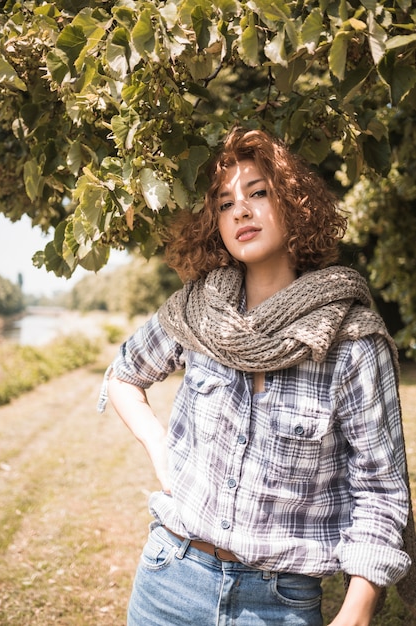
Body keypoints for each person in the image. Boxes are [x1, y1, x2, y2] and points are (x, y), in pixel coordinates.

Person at [98, 127, 414, 626]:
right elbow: (124, 374)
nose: (241, 210)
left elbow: (380, 492)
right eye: (225, 203)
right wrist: (160, 448)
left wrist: (354, 613)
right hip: (169, 580)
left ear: (295, 204)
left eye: (258, 193)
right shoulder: (198, 310)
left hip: (280, 604)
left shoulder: (351, 340)